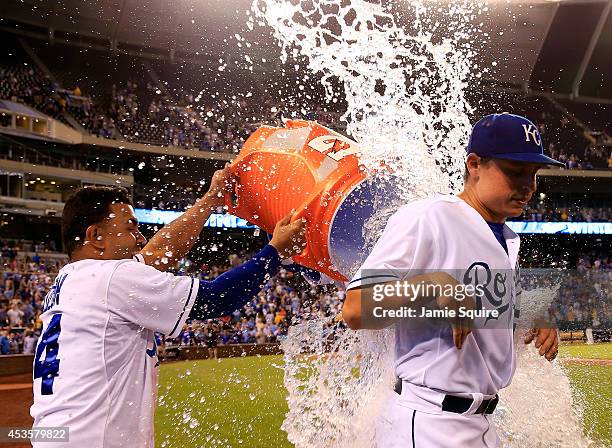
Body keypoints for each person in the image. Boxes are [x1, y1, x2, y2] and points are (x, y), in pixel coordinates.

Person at [30, 166, 306, 447]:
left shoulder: (73, 278)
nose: (140, 239)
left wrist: (211, 199)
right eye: (131, 228)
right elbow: (217, 298)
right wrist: (275, 252)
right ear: (96, 236)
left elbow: (161, 251)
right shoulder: (112, 278)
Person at [342, 114, 562, 447]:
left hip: (482, 424)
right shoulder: (428, 216)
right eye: (515, 172)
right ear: (474, 164)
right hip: (429, 422)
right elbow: (355, 309)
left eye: (533, 174)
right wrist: (435, 285)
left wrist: (531, 315)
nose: (528, 186)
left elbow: (479, 306)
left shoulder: (507, 237)